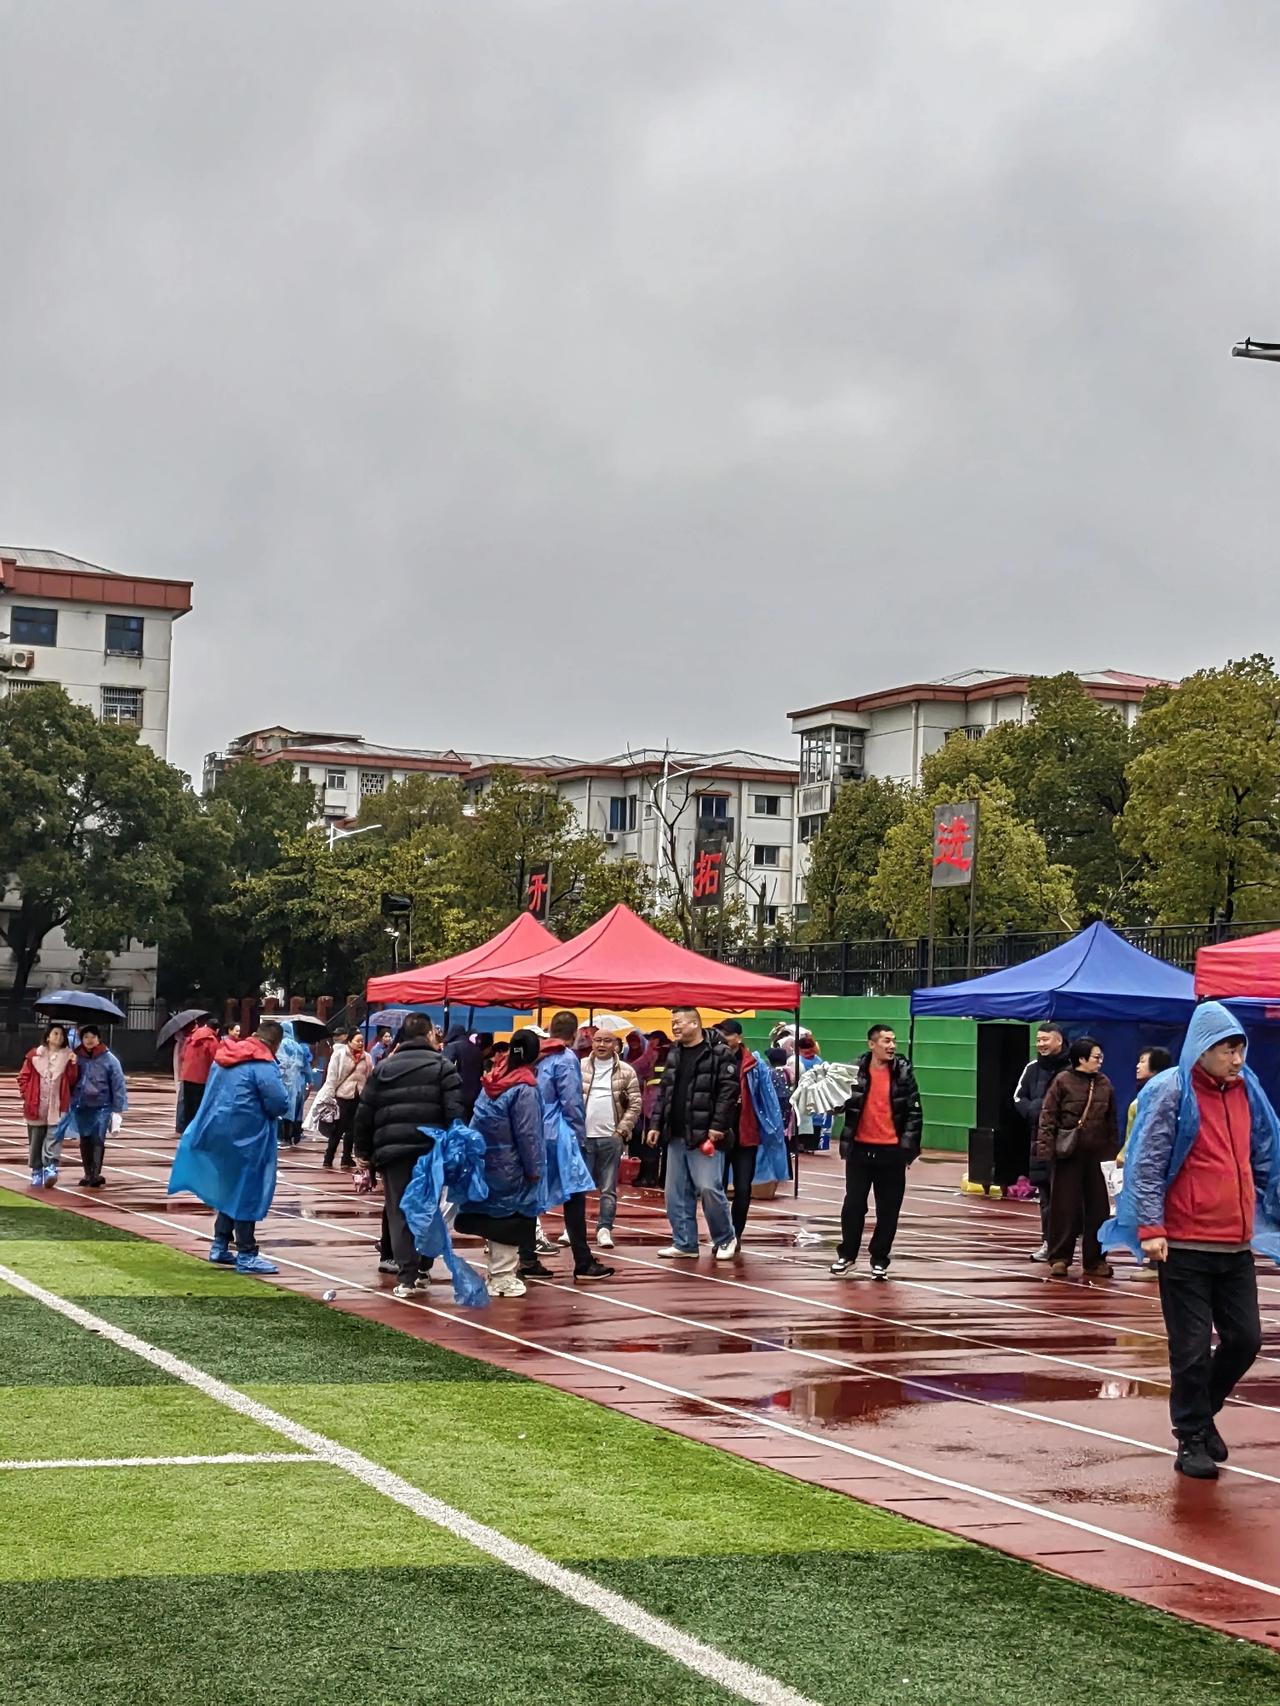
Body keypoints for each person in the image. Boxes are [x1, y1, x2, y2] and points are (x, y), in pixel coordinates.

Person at [1104, 1002, 1280, 1479]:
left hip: (1235, 1243)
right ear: (1203, 1049)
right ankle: (1191, 1437)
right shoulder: (1171, 1091)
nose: (1237, 1059)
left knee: (1245, 1339)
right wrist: (1151, 1228)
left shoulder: (1249, 1091)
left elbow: (1266, 1151)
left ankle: (1201, 1414)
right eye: (1228, 1049)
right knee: (1192, 1348)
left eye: (1241, 1048)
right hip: (1184, 1245)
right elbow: (1147, 1163)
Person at [354, 1013, 465, 1298]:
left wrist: (363, 1152)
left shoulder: (384, 1067)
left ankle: (407, 1275)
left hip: (393, 1152)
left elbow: (365, 1111)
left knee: (399, 1211)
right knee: (428, 1209)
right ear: (429, 1035)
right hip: (431, 1151)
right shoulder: (444, 1067)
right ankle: (424, 1265)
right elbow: (455, 1113)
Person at [168, 1020, 288, 1275]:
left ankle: (220, 1244)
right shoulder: (263, 1065)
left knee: (229, 1189)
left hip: (218, 1133)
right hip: (249, 1137)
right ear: (275, 1044)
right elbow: (278, 1103)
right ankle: (246, 1252)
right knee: (247, 1193)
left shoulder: (224, 1056)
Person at [454, 1028, 545, 1298]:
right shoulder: (524, 1088)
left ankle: (495, 1271)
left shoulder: (492, 1080)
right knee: (511, 1220)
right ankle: (503, 1278)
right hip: (512, 1165)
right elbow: (529, 1134)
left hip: (486, 1162)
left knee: (493, 1217)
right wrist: (534, 1169)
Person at [646, 1005, 740, 1261]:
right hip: (675, 1133)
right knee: (675, 1193)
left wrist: (718, 1127)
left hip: (705, 1136)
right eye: (672, 1022)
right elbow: (664, 1091)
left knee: (709, 1188)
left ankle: (725, 1237)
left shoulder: (719, 1053)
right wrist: (655, 1125)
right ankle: (685, 1242)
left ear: (695, 1024)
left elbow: (728, 1092)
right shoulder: (674, 1053)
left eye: (679, 1022)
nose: (674, 1027)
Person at [830, 1024, 923, 1280]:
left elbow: (914, 1112)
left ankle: (880, 1258)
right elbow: (838, 1103)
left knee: (889, 1209)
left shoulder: (903, 1073)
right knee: (853, 1205)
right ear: (872, 1044)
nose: (891, 1046)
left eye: (893, 1041)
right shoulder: (853, 1071)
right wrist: (828, 1102)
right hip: (860, 1149)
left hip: (891, 1152)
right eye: (885, 1041)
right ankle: (847, 1255)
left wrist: (907, 1148)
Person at [1036, 1036, 1120, 1280]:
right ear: (1081, 1058)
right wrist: (1045, 1151)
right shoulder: (1062, 1081)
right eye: (1096, 1056)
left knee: (1099, 1209)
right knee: (1064, 1207)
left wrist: (1112, 1154)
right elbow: (1048, 1117)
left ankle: (1095, 1260)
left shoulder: (1105, 1083)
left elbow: (1111, 1121)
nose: (1100, 1061)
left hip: (1097, 1155)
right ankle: (1059, 1258)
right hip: (1068, 1154)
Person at [540, 1011, 614, 1280]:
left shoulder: (539, 1056)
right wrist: (580, 1134)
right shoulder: (566, 1058)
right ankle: (582, 1259)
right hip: (560, 1132)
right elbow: (571, 1101)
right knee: (574, 1194)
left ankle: (526, 1256)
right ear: (575, 1035)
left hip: (535, 1129)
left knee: (531, 1193)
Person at [578, 1027, 642, 1249]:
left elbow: (635, 1104)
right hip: (583, 1137)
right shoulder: (580, 1067)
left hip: (611, 1138)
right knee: (577, 1188)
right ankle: (574, 1228)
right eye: (597, 1040)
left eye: (607, 1041)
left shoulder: (627, 1071)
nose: (601, 1045)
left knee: (608, 1189)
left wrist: (621, 1132)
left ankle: (604, 1229)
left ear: (616, 1044)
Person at [1013, 1024, 1071, 1262]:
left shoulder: (1072, 1070)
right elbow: (1018, 1097)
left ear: (1059, 1041)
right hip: (1039, 1142)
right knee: (1046, 1196)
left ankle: (1070, 1243)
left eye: (1045, 1039)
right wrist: (1034, 1111)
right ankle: (1049, 1242)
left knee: (1069, 1196)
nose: (1041, 1044)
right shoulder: (1032, 1068)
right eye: (1038, 1040)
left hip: (1067, 1143)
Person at [18, 1023, 78, 1187]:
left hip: (57, 1105)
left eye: (61, 1035)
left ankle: (50, 1167)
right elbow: (23, 1078)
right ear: (48, 1036)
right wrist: (27, 1095)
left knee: (54, 1137)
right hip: (36, 1105)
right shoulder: (33, 1056)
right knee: (36, 1140)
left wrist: (73, 1064)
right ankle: (36, 1170)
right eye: (55, 1033)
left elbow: (72, 1081)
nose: (59, 1037)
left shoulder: (68, 1056)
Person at [70, 1023, 127, 1188]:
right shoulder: (76, 1057)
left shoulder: (109, 1059)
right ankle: (87, 1173)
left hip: (102, 1106)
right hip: (81, 1105)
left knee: (98, 1138)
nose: (89, 1040)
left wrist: (118, 1108)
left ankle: (95, 1173)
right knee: (85, 1139)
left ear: (98, 1039)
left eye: (92, 1037)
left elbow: (118, 1084)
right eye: (85, 1037)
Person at [321, 1028, 370, 1168]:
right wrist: (329, 1095)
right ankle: (328, 1157)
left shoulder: (367, 1057)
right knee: (338, 1128)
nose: (360, 1043)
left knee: (353, 1129)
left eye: (362, 1041)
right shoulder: (340, 1055)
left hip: (359, 1096)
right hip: (342, 1096)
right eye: (357, 1041)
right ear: (349, 1041)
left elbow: (369, 1075)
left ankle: (346, 1158)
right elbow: (332, 1076)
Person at [275, 1020, 314, 1148]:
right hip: (298, 1082)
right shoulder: (298, 1046)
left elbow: (281, 1062)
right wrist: (310, 1080)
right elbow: (306, 1065)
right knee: (295, 1110)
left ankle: (282, 1137)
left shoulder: (281, 1044)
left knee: (282, 1109)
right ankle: (292, 1135)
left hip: (285, 1080)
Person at [178, 1016, 220, 1130]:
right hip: (201, 1078)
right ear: (216, 1030)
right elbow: (215, 1060)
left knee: (188, 1106)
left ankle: (186, 1129)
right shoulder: (211, 1040)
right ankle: (196, 1130)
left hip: (187, 1075)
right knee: (199, 1106)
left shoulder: (191, 1037)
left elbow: (182, 1055)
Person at [443, 1023, 485, 1119]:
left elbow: (444, 1068)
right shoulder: (477, 1050)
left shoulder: (451, 1047)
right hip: (475, 1097)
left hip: (456, 1097)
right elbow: (480, 1073)